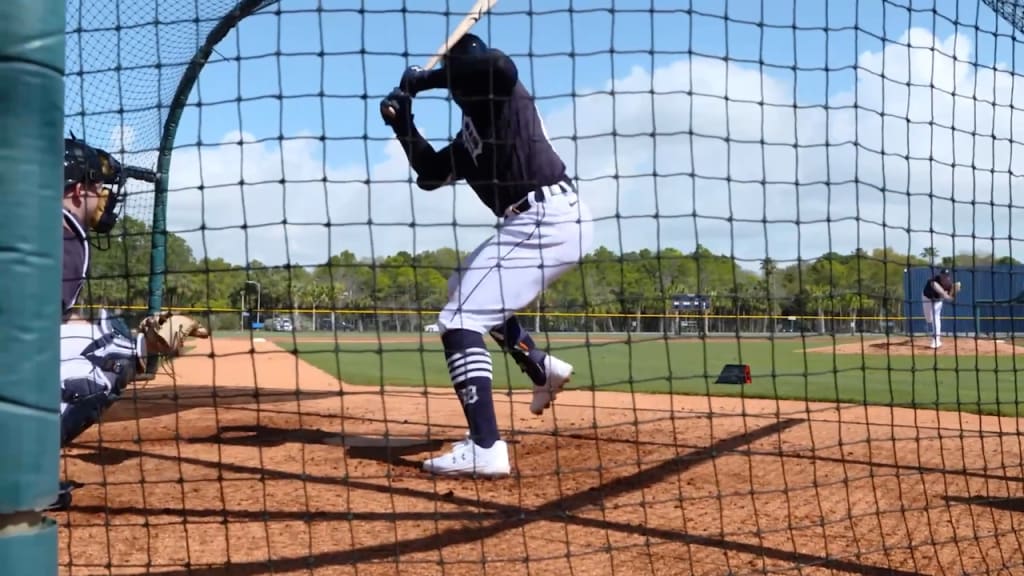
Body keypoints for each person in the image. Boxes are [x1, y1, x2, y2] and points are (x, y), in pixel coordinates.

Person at [380, 34, 594, 476]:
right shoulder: (470, 133)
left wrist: (425, 79)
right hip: (536, 222)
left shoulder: (503, 94)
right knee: (463, 286)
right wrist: (404, 126)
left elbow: (496, 65)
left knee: (459, 319)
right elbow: (430, 175)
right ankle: (540, 369)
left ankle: (486, 448)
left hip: (547, 216)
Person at [48, 136, 148, 510]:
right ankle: (12, 474)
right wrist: (139, 346)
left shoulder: (38, 224)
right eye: (97, 187)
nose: (104, 197)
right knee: (112, 351)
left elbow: (42, 317)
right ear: (76, 190)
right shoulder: (62, 235)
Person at [922, 268, 955, 349]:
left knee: (935, 318)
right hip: (927, 298)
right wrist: (944, 294)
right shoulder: (935, 279)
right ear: (940, 275)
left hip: (937, 301)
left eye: (946, 276)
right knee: (929, 319)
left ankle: (936, 340)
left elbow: (951, 297)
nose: (945, 277)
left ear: (949, 277)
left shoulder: (950, 285)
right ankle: (936, 339)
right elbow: (934, 285)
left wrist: (952, 295)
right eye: (943, 275)